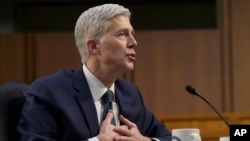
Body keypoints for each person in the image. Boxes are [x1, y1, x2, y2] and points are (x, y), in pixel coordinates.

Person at [17, 3, 172, 141]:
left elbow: (171, 138)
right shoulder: (51, 92)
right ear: (93, 46)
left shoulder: (130, 93)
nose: (133, 42)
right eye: (123, 34)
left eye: (132, 34)